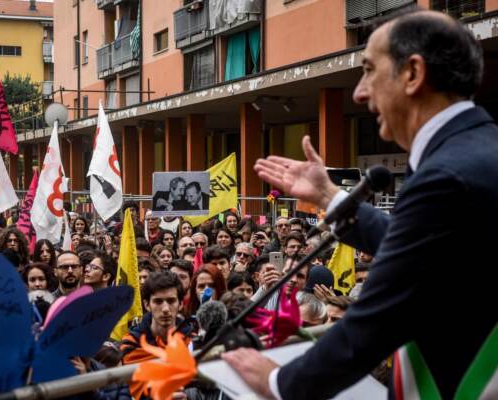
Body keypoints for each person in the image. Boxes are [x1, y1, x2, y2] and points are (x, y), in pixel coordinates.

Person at [223, 10, 498, 399]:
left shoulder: (446, 176)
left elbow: (371, 324)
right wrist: (329, 196)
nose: (359, 92)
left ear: (413, 74)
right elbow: (422, 250)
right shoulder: (478, 152)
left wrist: (276, 381)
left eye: (369, 70)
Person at [120, 271, 192, 399]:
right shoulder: (131, 345)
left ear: (180, 304)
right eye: (158, 302)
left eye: (171, 301)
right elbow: (129, 392)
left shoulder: (192, 341)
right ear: (147, 305)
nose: (165, 309)